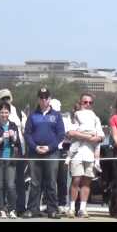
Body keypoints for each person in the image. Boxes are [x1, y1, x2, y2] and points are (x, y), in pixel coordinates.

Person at [23, 87, 65, 219]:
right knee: (35, 182)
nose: (43, 100)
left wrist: (49, 147)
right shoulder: (32, 115)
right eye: (41, 98)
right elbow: (27, 134)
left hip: (52, 152)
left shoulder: (57, 115)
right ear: (38, 99)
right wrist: (35, 147)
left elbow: (61, 134)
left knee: (51, 182)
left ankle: (52, 210)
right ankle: (32, 209)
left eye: (46, 97)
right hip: (35, 152)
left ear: (50, 99)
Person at [65, 93, 104, 218]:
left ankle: (82, 208)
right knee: (76, 180)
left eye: (90, 102)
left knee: (87, 182)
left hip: (91, 154)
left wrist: (93, 138)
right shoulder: (76, 115)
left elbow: (101, 136)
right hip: (77, 154)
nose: (87, 104)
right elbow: (70, 132)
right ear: (80, 103)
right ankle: (71, 208)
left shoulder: (95, 118)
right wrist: (88, 137)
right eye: (85, 102)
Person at [0, 89, 28, 216]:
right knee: (0, 183)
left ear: (11, 98)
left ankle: (19, 208)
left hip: (17, 153)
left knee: (16, 182)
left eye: (7, 98)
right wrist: (2, 137)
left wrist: (15, 139)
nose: (5, 100)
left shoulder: (19, 113)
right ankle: (2, 209)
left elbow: (25, 131)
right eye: (3, 98)